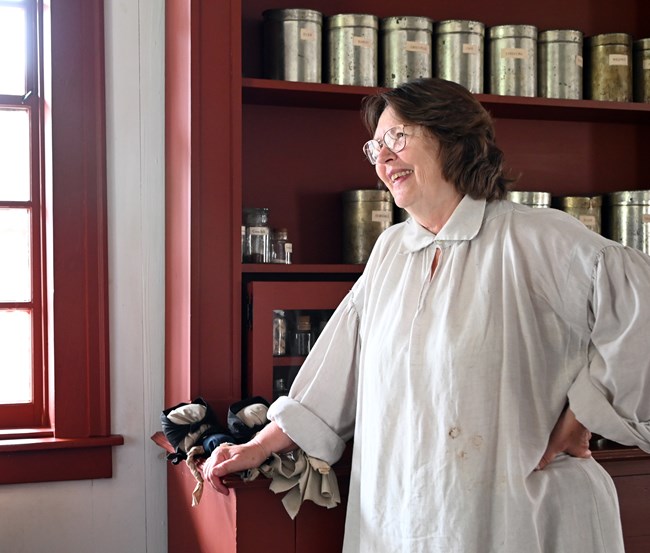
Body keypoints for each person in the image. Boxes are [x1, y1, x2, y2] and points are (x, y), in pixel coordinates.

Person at [202, 78, 650, 552]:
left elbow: (639, 309)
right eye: (375, 146)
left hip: (521, 516)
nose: (383, 157)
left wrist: (586, 410)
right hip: (405, 513)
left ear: (453, 137)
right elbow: (338, 367)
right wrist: (258, 445)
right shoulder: (393, 249)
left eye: (397, 137)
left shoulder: (536, 238)